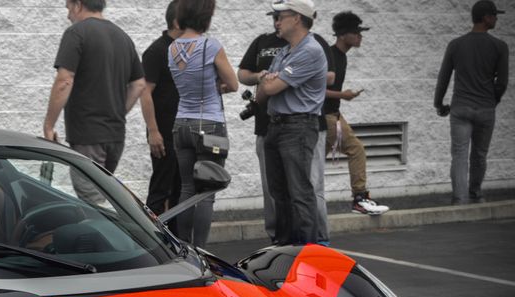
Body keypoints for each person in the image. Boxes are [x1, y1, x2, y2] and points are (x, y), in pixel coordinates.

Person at [239, 13, 336, 244]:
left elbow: (271, 88)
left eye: (281, 17)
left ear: (297, 19)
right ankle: (283, 246)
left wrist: (270, 81)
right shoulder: (283, 51)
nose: (276, 22)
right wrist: (267, 80)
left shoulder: (311, 48)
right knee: (278, 193)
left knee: (301, 191)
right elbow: (262, 90)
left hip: (298, 126)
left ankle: (310, 247)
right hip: (274, 125)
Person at [43, 0, 145, 204]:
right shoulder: (123, 37)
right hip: (115, 136)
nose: (68, 16)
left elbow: (64, 80)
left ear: (78, 5)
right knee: (101, 196)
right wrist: (118, 111)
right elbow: (139, 84)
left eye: (68, 8)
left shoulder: (77, 33)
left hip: (88, 136)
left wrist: (49, 125)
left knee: (93, 205)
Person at [167, 0, 238, 248]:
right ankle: (201, 251)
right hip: (209, 125)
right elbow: (234, 84)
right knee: (207, 193)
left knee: (187, 188)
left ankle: (184, 248)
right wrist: (218, 86)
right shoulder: (211, 45)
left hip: (181, 123)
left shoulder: (172, 47)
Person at [434, 0, 509, 204]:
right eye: (494, 15)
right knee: (480, 154)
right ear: (486, 18)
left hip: (460, 108)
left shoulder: (456, 44)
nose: (496, 19)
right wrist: (492, 101)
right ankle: (476, 194)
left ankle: (460, 199)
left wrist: (439, 104)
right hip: (485, 108)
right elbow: (502, 83)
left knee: (459, 154)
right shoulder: (500, 47)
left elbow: (443, 78)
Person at [324, 12, 390, 215]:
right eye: (356, 32)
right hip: (325, 115)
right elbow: (315, 90)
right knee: (356, 149)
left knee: (313, 163)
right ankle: (360, 199)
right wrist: (343, 95)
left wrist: (342, 97)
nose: (360, 36)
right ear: (343, 35)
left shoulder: (341, 56)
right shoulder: (330, 56)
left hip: (332, 113)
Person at [140, 1, 182, 216]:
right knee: (160, 190)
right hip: (164, 132)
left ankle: (176, 235)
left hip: (184, 131)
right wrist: (153, 131)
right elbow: (144, 92)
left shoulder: (187, 49)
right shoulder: (157, 51)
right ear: (177, 21)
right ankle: (151, 233)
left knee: (180, 191)